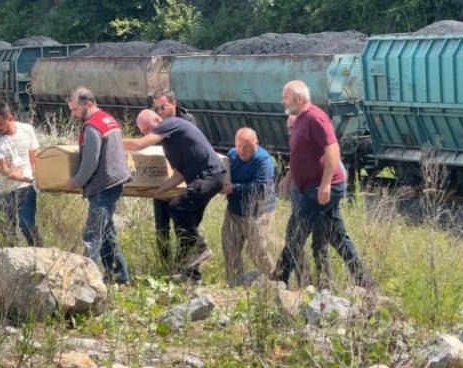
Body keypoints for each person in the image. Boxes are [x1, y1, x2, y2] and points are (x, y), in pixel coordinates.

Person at [271, 80, 374, 288]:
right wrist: (289, 177)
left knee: (296, 231)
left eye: (285, 98)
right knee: (338, 236)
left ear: (299, 99)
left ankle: (279, 280)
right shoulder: (299, 119)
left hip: (320, 189)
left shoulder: (316, 118)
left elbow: (333, 149)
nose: (282, 101)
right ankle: (365, 282)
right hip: (311, 187)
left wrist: (325, 185)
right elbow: (302, 153)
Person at [123, 109, 225, 283]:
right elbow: (179, 176)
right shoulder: (170, 145)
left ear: (157, 119)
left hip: (209, 176)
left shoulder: (170, 123)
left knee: (176, 208)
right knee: (186, 225)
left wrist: (110, 140)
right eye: (143, 131)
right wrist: (158, 191)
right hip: (203, 179)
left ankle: (200, 247)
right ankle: (191, 277)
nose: (148, 133)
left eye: (148, 129)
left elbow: (139, 145)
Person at [66, 87, 131, 284]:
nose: (73, 114)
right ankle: (119, 276)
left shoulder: (92, 126)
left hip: (103, 184)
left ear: (89, 104)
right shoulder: (108, 119)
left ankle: (86, 281)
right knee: (106, 231)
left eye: (76, 110)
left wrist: (76, 181)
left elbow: (90, 162)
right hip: (115, 181)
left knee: (92, 234)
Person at [220, 128, 276, 287]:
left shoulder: (263, 160)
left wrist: (234, 188)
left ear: (256, 144)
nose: (242, 150)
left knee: (257, 251)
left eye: (246, 146)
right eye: (238, 146)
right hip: (234, 212)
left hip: (258, 213)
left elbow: (261, 188)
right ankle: (235, 285)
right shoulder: (231, 155)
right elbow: (223, 176)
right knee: (230, 249)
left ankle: (275, 283)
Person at [150, 89, 197, 268]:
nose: (160, 112)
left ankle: (182, 265)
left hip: (182, 182)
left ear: (174, 104)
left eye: (163, 107)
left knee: (182, 227)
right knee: (161, 229)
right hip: (162, 179)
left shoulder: (187, 121)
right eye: (157, 109)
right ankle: (165, 266)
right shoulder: (156, 123)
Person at [0, 101, 43, 247]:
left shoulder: (27, 130)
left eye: (0, 124)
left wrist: (37, 179)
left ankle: (40, 254)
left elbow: (33, 158)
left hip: (26, 187)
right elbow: (5, 171)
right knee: (7, 232)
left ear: (10, 118)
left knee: (27, 224)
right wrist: (30, 179)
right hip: (2, 190)